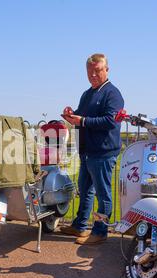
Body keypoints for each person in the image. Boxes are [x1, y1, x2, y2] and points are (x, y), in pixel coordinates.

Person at [60, 53, 124, 245]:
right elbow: (82, 117)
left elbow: (110, 121)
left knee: (102, 194)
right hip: (87, 152)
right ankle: (79, 226)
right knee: (85, 190)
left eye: (97, 71)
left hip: (103, 152)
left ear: (106, 70)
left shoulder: (113, 93)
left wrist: (83, 120)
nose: (93, 75)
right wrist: (72, 115)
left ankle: (100, 231)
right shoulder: (87, 94)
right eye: (90, 72)